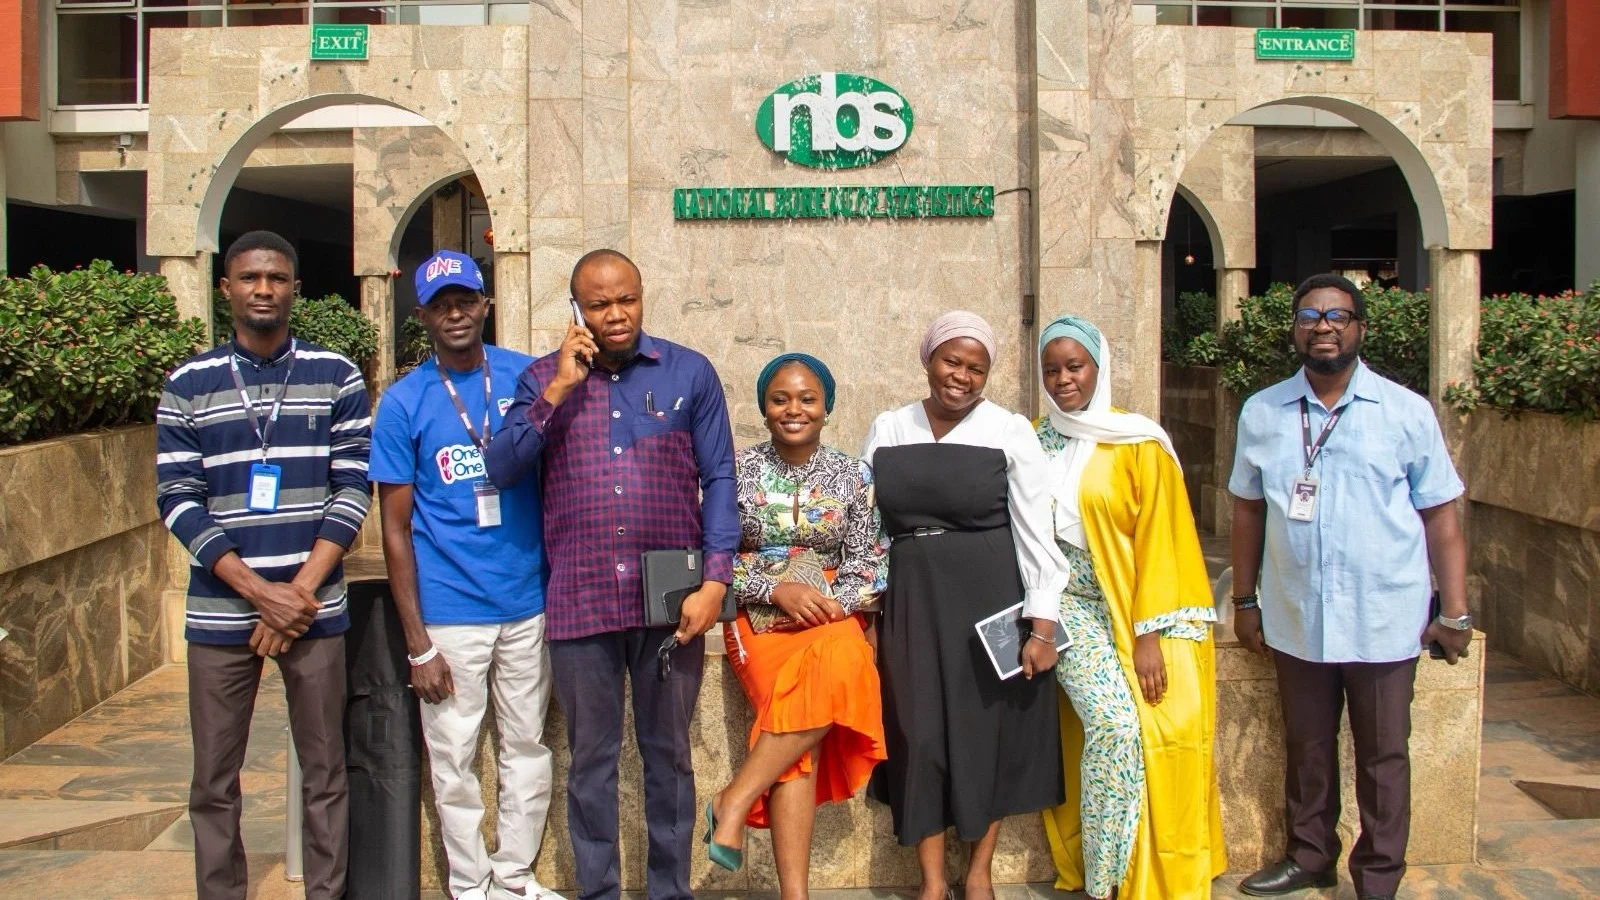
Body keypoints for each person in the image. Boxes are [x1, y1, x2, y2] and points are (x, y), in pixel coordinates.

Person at [483, 249, 738, 900]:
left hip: (671, 605)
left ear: (642, 296)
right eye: (598, 304)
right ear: (577, 310)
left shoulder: (690, 373)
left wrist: (714, 581)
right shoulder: (544, 378)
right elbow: (502, 465)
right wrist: (559, 390)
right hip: (581, 597)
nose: (615, 314)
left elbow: (719, 479)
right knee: (590, 764)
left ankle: (668, 891)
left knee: (669, 760)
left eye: (625, 299)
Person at [1228, 274, 1471, 900]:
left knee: (1383, 754)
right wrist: (1246, 599)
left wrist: (1457, 612)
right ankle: (1310, 856)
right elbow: (1249, 511)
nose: (1324, 326)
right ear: (1295, 330)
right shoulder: (1262, 412)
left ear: (1361, 327)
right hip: (1296, 615)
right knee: (1306, 747)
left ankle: (1379, 876)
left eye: (1338, 315)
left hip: (1384, 616)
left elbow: (1440, 514)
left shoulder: (1406, 413)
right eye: (1310, 316)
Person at [155, 230, 370, 900]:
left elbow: (353, 486)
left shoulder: (337, 374)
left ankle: (326, 893)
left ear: (295, 289)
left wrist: (297, 594)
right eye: (249, 278)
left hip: (315, 610)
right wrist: (258, 593)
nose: (263, 290)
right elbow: (177, 499)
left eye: (277, 278)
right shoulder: (188, 385)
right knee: (214, 781)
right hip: (221, 614)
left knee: (326, 770)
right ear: (226, 289)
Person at [369, 250, 562, 900]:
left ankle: (514, 878)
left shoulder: (526, 377)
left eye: (465, 299)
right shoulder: (404, 403)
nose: (455, 312)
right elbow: (393, 529)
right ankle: (469, 886)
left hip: (526, 601)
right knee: (452, 760)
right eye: (440, 302)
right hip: (450, 612)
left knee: (527, 747)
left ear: (485, 304)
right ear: (422, 313)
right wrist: (417, 641)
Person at [861, 311, 1070, 900]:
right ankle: (931, 881)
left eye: (977, 368)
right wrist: (869, 615)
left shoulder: (1009, 431)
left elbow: (1036, 534)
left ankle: (977, 874)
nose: (962, 376)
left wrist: (1043, 626)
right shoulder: (889, 427)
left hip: (991, 599)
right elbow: (867, 530)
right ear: (928, 359)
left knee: (988, 734)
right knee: (916, 732)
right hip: (910, 600)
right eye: (952, 361)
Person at [1032, 315, 1227, 900]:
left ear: (1099, 367)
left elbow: (1164, 542)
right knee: (1115, 725)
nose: (1063, 379)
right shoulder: (1035, 439)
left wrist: (1148, 636)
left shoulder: (1139, 441)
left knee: (1168, 719)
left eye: (1075, 366)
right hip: (1064, 605)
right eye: (1052, 369)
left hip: (1135, 605)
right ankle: (1105, 878)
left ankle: (1150, 865)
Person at [704, 353, 889, 893]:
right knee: (801, 728)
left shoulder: (854, 476)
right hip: (756, 621)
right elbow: (712, 556)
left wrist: (828, 600)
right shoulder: (734, 472)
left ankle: (735, 799)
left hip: (828, 616)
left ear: (826, 407)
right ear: (763, 408)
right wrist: (775, 589)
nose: (794, 409)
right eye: (780, 399)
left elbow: (869, 563)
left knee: (846, 654)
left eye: (807, 399)